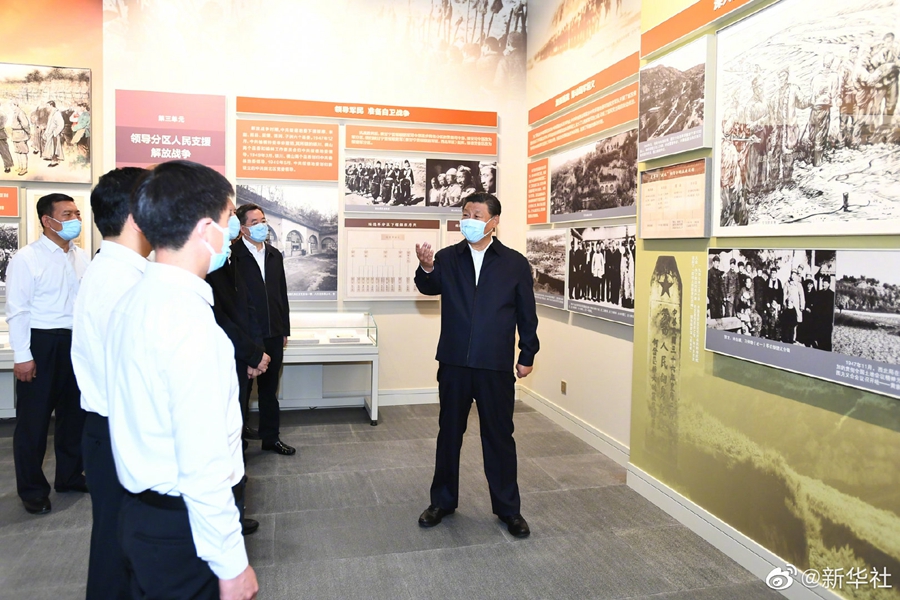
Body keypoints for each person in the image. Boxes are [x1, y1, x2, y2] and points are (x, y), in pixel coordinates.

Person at [106, 160, 258, 600]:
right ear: (207, 229)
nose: (231, 232)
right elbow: (203, 463)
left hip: (142, 514)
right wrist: (231, 563)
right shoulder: (190, 324)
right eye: (229, 220)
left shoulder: (135, 299)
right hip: (185, 529)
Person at [414, 192, 539, 538]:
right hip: (454, 362)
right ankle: (442, 501)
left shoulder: (514, 263)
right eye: (465, 214)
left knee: (499, 437)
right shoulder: (448, 257)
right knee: (449, 433)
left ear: (494, 221)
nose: (468, 220)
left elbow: (527, 313)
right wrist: (426, 267)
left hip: (494, 365)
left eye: (477, 215)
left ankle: (509, 509)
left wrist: (527, 353)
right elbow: (428, 286)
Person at [71, 167, 151, 599]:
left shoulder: (114, 269)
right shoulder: (125, 282)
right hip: (122, 431)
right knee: (119, 550)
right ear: (138, 216)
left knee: (116, 544)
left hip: (110, 429)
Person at [7, 193, 89, 515]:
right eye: (67, 214)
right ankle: (32, 490)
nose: (76, 220)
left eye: (77, 213)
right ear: (47, 220)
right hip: (41, 343)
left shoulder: (82, 257)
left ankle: (69, 476)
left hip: (74, 343)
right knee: (34, 422)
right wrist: (22, 356)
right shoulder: (27, 258)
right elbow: (17, 311)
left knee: (74, 417)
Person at [206, 201, 270, 536]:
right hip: (226, 358)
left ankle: (236, 508)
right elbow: (219, 318)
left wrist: (255, 352)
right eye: (229, 214)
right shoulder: (209, 262)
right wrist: (250, 353)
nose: (233, 219)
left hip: (241, 356)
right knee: (226, 437)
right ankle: (228, 514)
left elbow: (249, 309)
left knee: (237, 431)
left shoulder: (227, 255)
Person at [232, 203, 295, 456]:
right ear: (243, 228)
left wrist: (284, 329)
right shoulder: (233, 255)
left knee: (269, 390)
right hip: (247, 335)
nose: (262, 226)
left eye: (263, 220)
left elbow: (282, 294)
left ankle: (271, 437)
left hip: (274, 332)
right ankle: (238, 442)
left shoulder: (274, 255)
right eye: (255, 222)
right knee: (243, 391)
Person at [782, 268, 805, 344]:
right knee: (789, 322)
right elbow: (784, 294)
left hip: (796, 305)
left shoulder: (799, 284)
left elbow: (801, 295)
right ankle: (788, 338)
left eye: (794, 274)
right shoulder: (787, 284)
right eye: (792, 274)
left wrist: (802, 305)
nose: (793, 276)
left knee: (796, 322)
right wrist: (784, 304)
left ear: (796, 275)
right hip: (789, 306)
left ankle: (794, 337)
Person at [42, 101, 65, 168]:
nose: (46, 108)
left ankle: (55, 161)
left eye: (48, 106)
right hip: (50, 133)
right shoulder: (52, 113)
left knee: (55, 148)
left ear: (51, 106)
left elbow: (61, 124)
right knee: (51, 147)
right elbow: (49, 124)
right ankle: (51, 158)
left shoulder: (57, 113)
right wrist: (46, 132)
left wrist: (55, 133)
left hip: (54, 134)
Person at [10, 101, 30, 176]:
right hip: (15, 135)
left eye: (12, 105)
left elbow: (25, 124)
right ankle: (20, 167)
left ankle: (24, 168)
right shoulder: (15, 113)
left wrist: (28, 132)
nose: (11, 107)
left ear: (16, 105)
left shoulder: (20, 113)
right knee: (18, 152)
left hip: (21, 135)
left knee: (23, 152)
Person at [707, 255, 725, 319]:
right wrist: (709, 295)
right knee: (714, 314)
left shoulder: (720, 272)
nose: (718, 264)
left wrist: (722, 296)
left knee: (720, 314)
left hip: (719, 297)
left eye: (718, 263)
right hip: (712, 297)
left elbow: (722, 285)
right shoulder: (709, 272)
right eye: (717, 262)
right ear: (713, 262)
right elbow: (707, 285)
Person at [0, 105, 14, 173]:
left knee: (4, 151)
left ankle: (8, 166)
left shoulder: (2, 114)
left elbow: (2, 124)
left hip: (1, 135)